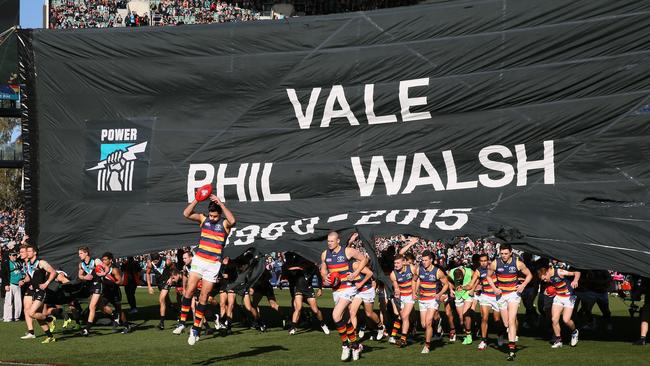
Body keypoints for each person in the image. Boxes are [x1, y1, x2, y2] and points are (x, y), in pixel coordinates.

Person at [174, 194, 235, 346]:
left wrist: (221, 203)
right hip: (200, 260)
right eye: (211, 215)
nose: (213, 218)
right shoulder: (203, 219)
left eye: (215, 216)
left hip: (213, 264)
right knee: (188, 290)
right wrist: (197, 199)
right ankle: (182, 323)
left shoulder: (225, 223)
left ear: (219, 214)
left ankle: (195, 329)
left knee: (203, 296)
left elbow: (233, 220)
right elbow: (186, 213)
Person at [320, 231, 368, 362]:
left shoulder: (348, 251)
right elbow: (323, 269)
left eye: (331, 241)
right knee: (345, 320)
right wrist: (325, 277)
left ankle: (345, 345)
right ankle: (356, 346)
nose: (329, 243)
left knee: (335, 315)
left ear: (338, 241)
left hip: (348, 288)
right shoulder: (325, 254)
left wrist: (356, 272)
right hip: (336, 290)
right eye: (328, 241)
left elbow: (365, 259)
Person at [487, 244, 532, 361]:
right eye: (502, 253)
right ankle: (511, 330)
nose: (504, 256)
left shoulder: (518, 263)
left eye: (506, 253)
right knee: (506, 323)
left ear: (511, 252)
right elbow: (488, 276)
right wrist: (494, 288)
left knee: (511, 321)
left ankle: (511, 351)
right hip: (501, 295)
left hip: (513, 294)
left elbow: (529, 275)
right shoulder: (495, 263)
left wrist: (522, 285)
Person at [284, 252, 329, 335]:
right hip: (298, 289)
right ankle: (293, 327)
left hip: (309, 290)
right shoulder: (298, 267)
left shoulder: (313, 267)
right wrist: (297, 268)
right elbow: (289, 270)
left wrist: (320, 289)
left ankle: (323, 324)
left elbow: (319, 278)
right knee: (298, 308)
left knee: (315, 310)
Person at [23, 243, 59, 343]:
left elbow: (53, 272)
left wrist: (47, 283)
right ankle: (50, 337)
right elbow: (31, 277)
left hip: (41, 292)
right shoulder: (28, 263)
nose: (27, 253)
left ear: (35, 252)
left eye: (29, 251)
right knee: (37, 316)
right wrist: (26, 281)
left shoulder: (41, 262)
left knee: (31, 313)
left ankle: (49, 319)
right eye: (27, 251)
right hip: (34, 292)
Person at [538, 264, 580, 348]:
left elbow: (577, 272)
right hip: (558, 297)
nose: (545, 281)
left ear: (547, 273)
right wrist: (548, 290)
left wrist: (575, 280)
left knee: (566, 320)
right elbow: (555, 285)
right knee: (554, 319)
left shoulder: (559, 272)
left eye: (545, 278)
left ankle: (574, 332)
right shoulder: (548, 277)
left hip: (569, 297)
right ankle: (558, 340)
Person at [416, 250, 449, 353]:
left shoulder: (438, 271)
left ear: (431, 260)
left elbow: (446, 284)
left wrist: (439, 294)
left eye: (426, 260)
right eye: (423, 260)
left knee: (428, 322)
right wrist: (415, 290)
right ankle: (438, 320)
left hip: (432, 299)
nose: (424, 262)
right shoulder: (419, 270)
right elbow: (415, 279)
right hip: (422, 299)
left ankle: (427, 345)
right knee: (423, 325)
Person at [348, 255, 382, 340]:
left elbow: (370, 273)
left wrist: (361, 283)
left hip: (367, 291)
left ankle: (380, 326)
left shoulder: (355, 265)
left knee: (369, 313)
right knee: (352, 312)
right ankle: (353, 335)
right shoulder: (344, 266)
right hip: (358, 292)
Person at [474, 253, 503, 350]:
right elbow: (475, 282)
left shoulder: (494, 268)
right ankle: (484, 340)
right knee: (484, 318)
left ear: (488, 260)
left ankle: (500, 335)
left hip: (496, 297)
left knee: (497, 320)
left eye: (485, 261)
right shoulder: (478, 271)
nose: (483, 263)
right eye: (481, 261)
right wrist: (475, 288)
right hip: (485, 296)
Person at [389, 253, 416, 347]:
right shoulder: (393, 274)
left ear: (403, 262)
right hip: (401, 297)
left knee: (404, 316)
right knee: (400, 316)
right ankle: (399, 335)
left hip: (410, 296)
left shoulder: (411, 268)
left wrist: (414, 292)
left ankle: (403, 338)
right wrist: (397, 292)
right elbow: (396, 287)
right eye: (394, 263)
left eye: (397, 263)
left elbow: (417, 279)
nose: (395, 265)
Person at [78, 246, 104, 336]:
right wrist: (85, 277)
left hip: (98, 284)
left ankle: (87, 329)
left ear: (86, 253)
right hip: (90, 286)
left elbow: (105, 268)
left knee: (92, 306)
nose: (79, 255)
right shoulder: (81, 264)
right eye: (79, 253)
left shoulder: (96, 261)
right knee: (101, 307)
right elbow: (80, 276)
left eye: (81, 253)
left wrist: (102, 273)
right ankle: (115, 315)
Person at [449, 263, 475, 345]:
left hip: (467, 294)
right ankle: (467, 332)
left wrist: (472, 289)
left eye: (461, 279)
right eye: (458, 280)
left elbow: (477, 278)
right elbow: (448, 281)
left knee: (465, 314)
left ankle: (469, 336)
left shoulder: (470, 271)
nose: (459, 281)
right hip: (458, 295)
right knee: (461, 319)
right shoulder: (451, 272)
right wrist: (451, 290)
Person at [146, 252, 174, 330]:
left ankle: (161, 323)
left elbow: (174, 269)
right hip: (159, 283)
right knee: (166, 300)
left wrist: (171, 278)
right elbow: (147, 273)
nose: (155, 263)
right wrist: (149, 286)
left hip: (167, 281)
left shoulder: (167, 262)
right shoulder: (150, 264)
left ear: (159, 258)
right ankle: (176, 311)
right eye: (153, 261)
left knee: (161, 299)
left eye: (156, 261)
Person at [3, 250, 24, 322]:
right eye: (13, 255)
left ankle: (16, 317)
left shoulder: (18, 262)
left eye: (15, 255)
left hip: (18, 284)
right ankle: (7, 318)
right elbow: (3, 274)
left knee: (18, 302)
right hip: (10, 284)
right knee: (8, 301)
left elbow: (22, 271)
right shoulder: (6, 262)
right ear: (9, 256)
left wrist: (22, 279)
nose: (15, 256)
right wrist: (6, 284)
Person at [634, 277, 649, 345]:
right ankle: (642, 338)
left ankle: (642, 338)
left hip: (648, 302)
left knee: (645, 319)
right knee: (645, 319)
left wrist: (637, 295)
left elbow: (641, 288)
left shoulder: (646, 276)